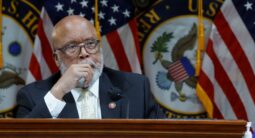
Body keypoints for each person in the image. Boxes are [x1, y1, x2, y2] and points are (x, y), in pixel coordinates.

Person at [15, 15, 165, 119]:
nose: (84, 53)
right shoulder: (32, 96)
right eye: (72, 46)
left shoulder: (136, 88)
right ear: (56, 58)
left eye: (90, 44)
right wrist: (59, 91)